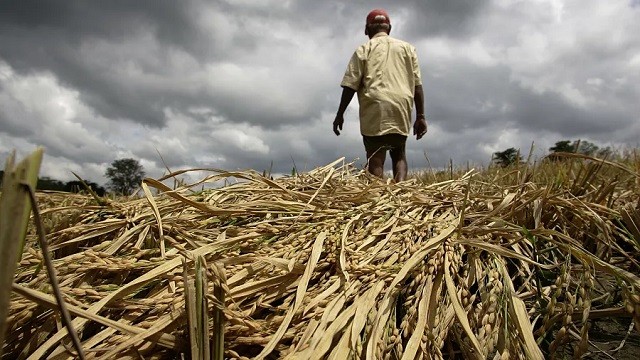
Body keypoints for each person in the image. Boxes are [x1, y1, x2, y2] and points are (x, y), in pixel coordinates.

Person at [333, 8, 427, 182]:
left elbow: (350, 86)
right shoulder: (408, 49)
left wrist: (340, 114)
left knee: (376, 158)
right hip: (401, 105)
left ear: (367, 30)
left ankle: (379, 198)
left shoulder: (364, 49)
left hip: (375, 105)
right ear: (389, 28)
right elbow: (417, 86)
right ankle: (401, 193)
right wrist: (420, 116)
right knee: (399, 153)